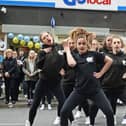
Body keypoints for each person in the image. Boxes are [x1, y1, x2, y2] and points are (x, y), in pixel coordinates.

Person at [60, 34, 114, 126]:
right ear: (76, 45)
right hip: (79, 91)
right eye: (79, 44)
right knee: (64, 112)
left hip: (95, 91)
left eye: (84, 43)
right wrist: (67, 49)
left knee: (109, 113)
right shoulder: (75, 56)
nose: (81, 46)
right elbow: (72, 64)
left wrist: (101, 73)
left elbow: (109, 61)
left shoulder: (94, 54)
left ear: (87, 45)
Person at [25, 32, 74, 126]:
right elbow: (39, 66)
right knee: (35, 103)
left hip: (56, 81)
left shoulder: (59, 47)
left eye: (47, 35)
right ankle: (29, 122)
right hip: (44, 80)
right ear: (42, 41)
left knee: (64, 102)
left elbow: (65, 60)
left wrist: (63, 69)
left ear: (51, 36)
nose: (47, 38)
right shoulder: (41, 51)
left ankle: (72, 121)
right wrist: (43, 52)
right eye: (44, 38)